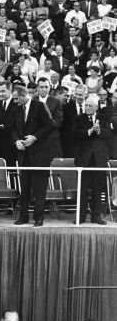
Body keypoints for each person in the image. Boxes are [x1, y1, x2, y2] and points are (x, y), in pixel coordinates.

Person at [12, 85, 55, 227]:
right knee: (24, 188)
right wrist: (16, 140)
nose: (15, 102)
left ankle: (39, 217)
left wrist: (35, 137)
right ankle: (23, 216)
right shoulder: (17, 109)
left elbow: (50, 125)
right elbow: (13, 128)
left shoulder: (40, 106)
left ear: (24, 96)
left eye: (17, 99)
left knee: (39, 188)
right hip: (24, 155)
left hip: (40, 155)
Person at [73, 96, 111, 225]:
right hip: (83, 159)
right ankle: (81, 217)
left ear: (96, 107)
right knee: (82, 189)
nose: (87, 108)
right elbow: (74, 134)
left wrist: (99, 130)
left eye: (90, 106)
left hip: (99, 159)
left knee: (97, 189)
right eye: (86, 105)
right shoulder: (79, 118)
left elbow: (110, 134)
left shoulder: (104, 117)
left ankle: (96, 217)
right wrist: (89, 131)